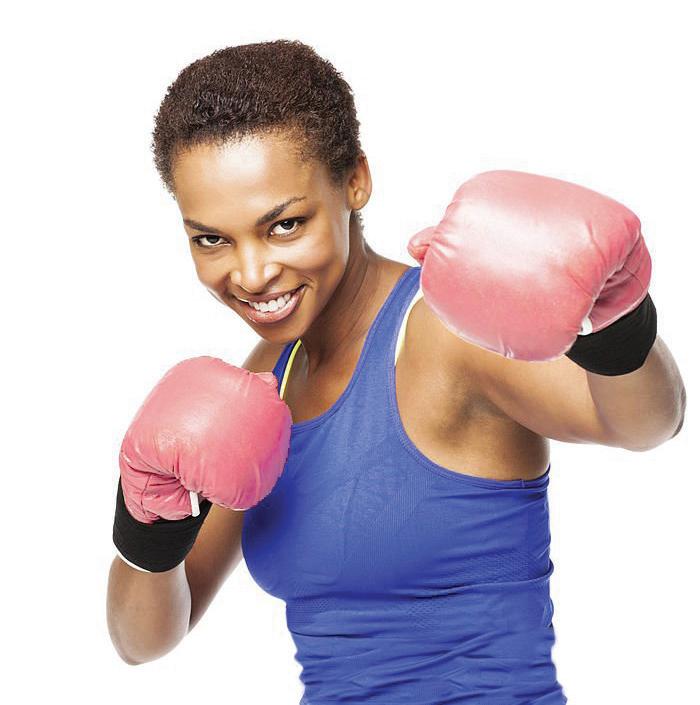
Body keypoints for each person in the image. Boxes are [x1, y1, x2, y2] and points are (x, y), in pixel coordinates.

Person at [106, 40, 686, 703]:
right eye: (212, 238)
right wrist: (146, 518)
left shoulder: (441, 329)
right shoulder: (268, 376)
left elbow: (647, 422)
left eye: (285, 225)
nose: (252, 272)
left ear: (355, 180)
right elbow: (142, 640)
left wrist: (613, 318)